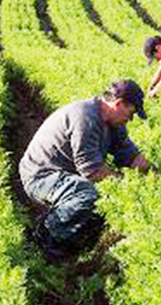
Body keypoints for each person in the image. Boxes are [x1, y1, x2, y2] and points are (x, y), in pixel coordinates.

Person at [19, 79, 149, 261]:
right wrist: (126, 183)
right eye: (131, 113)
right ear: (119, 104)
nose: (131, 119)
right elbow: (92, 171)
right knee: (89, 193)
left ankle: (76, 240)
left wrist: (156, 176)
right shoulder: (86, 118)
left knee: (101, 195)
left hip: (66, 175)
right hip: (40, 176)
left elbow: (130, 155)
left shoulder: (114, 123)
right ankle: (45, 234)